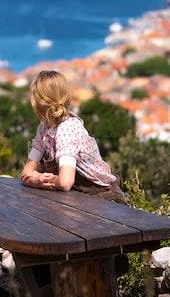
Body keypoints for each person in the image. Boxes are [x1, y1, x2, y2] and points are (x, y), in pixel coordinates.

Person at [19, 70, 127, 204]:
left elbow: (65, 182)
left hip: (101, 197)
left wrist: (39, 179)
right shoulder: (44, 127)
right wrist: (35, 179)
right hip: (77, 195)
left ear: (37, 103)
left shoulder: (67, 128)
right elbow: (28, 169)